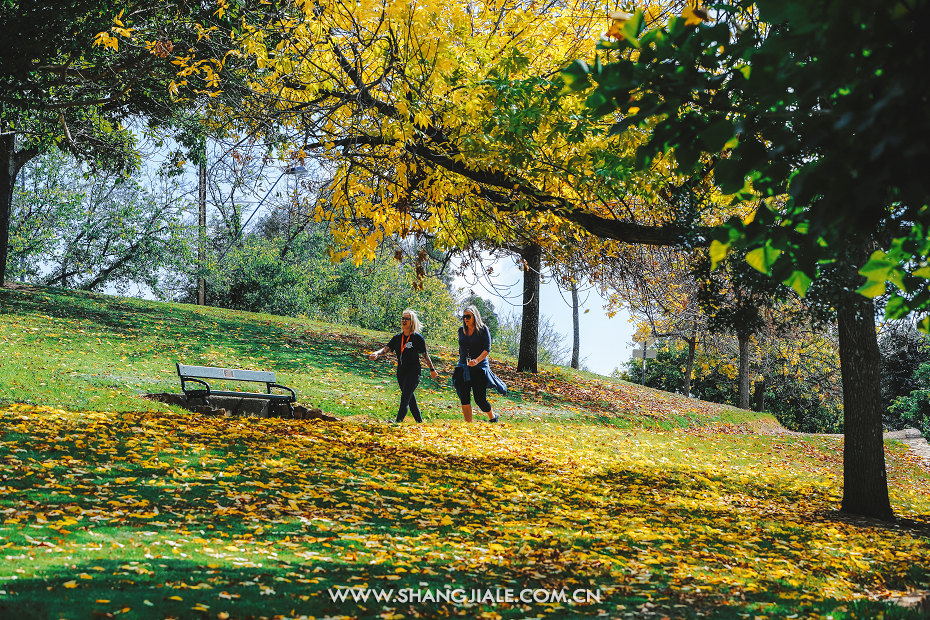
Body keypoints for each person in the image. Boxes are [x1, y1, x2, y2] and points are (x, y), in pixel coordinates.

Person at [368, 309, 439, 423]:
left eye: (407, 319)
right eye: (403, 318)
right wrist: (376, 353)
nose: (404, 321)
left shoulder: (417, 338)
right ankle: (420, 423)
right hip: (401, 372)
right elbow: (386, 349)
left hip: (413, 372)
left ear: (412, 322)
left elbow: (425, 355)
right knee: (410, 399)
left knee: (405, 398)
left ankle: (397, 423)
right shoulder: (397, 338)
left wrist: (432, 369)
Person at [452, 304, 507, 423]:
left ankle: (493, 417)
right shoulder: (461, 330)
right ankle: (468, 424)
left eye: (468, 316)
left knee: (480, 399)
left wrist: (476, 360)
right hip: (463, 368)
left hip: (479, 369)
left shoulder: (482, 329)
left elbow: (487, 349)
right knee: (464, 397)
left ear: (475, 316)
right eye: (464, 316)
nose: (466, 319)